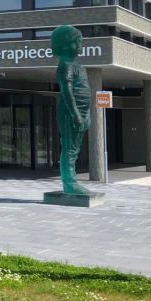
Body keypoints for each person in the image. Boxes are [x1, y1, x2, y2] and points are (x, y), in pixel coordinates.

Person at [51, 25, 92, 194]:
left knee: (75, 148)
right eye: (78, 41)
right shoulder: (66, 65)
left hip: (80, 111)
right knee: (69, 148)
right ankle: (70, 183)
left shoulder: (77, 66)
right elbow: (66, 91)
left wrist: (86, 113)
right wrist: (76, 115)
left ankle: (71, 181)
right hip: (70, 112)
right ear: (67, 44)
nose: (80, 45)